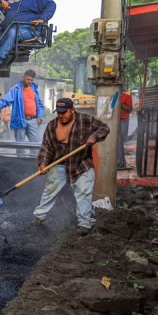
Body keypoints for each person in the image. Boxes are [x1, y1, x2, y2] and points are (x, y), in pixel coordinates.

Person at [33, 98, 110, 236]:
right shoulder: (52, 126)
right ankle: (39, 216)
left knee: (84, 192)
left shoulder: (86, 120)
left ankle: (85, 223)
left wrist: (94, 136)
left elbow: (104, 128)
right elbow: (46, 147)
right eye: (59, 113)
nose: (61, 116)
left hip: (80, 163)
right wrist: (43, 163)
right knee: (50, 190)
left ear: (72, 110)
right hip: (59, 163)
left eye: (64, 112)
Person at [0, 70, 44, 145]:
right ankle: (21, 157)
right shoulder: (16, 90)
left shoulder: (35, 89)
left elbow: (40, 104)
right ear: (23, 77)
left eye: (31, 80)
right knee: (20, 146)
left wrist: (39, 117)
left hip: (33, 120)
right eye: (27, 79)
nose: (29, 81)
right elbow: (5, 101)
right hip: (20, 120)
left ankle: (34, 157)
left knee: (35, 146)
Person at [117, 91, 133, 169]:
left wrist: (122, 105)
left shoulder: (127, 97)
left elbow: (130, 109)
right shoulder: (113, 96)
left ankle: (121, 162)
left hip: (123, 120)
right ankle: (120, 162)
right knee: (118, 140)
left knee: (121, 140)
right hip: (115, 121)